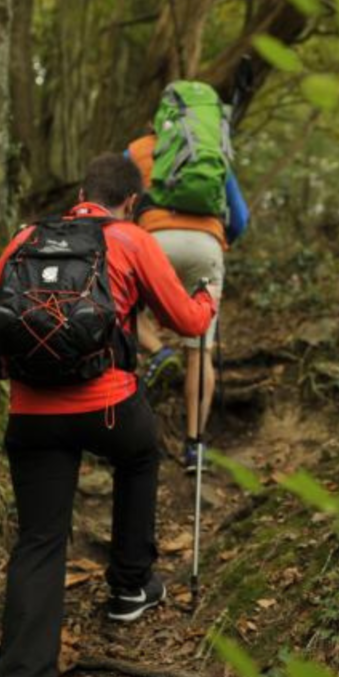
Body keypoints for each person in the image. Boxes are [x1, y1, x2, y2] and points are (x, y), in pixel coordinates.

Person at [0, 153, 216, 677]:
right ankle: (131, 585)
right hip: (105, 406)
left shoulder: (27, 236)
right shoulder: (130, 239)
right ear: (130, 202)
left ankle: (23, 675)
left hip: (30, 414)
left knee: (40, 537)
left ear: (81, 192)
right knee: (141, 450)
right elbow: (188, 320)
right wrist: (207, 299)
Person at [125, 127, 249, 473]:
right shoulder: (212, 151)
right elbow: (240, 219)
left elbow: (118, 201)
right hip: (205, 245)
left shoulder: (136, 149)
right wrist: (219, 239)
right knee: (199, 350)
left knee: (125, 311)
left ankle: (158, 351)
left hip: (153, 243)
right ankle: (194, 445)